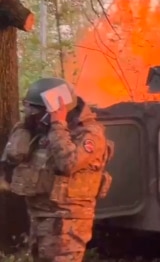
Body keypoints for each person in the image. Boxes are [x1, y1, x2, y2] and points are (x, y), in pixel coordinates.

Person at [0, 77, 113, 262]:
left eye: (37, 111)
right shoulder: (41, 130)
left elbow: (68, 163)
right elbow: (14, 156)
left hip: (67, 221)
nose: (32, 115)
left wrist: (57, 124)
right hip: (41, 216)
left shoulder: (89, 133)